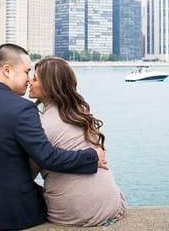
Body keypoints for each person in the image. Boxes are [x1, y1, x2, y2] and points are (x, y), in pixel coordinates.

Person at [0, 44, 107, 230]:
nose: (28, 80)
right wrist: (92, 156)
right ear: (7, 71)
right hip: (13, 212)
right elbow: (47, 157)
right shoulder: (22, 108)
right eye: (26, 72)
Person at [29, 57, 126, 226]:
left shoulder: (41, 125)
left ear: (49, 85)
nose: (30, 80)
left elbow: (29, 174)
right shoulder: (79, 114)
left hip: (72, 214)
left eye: (35, 78)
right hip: (113, 206)